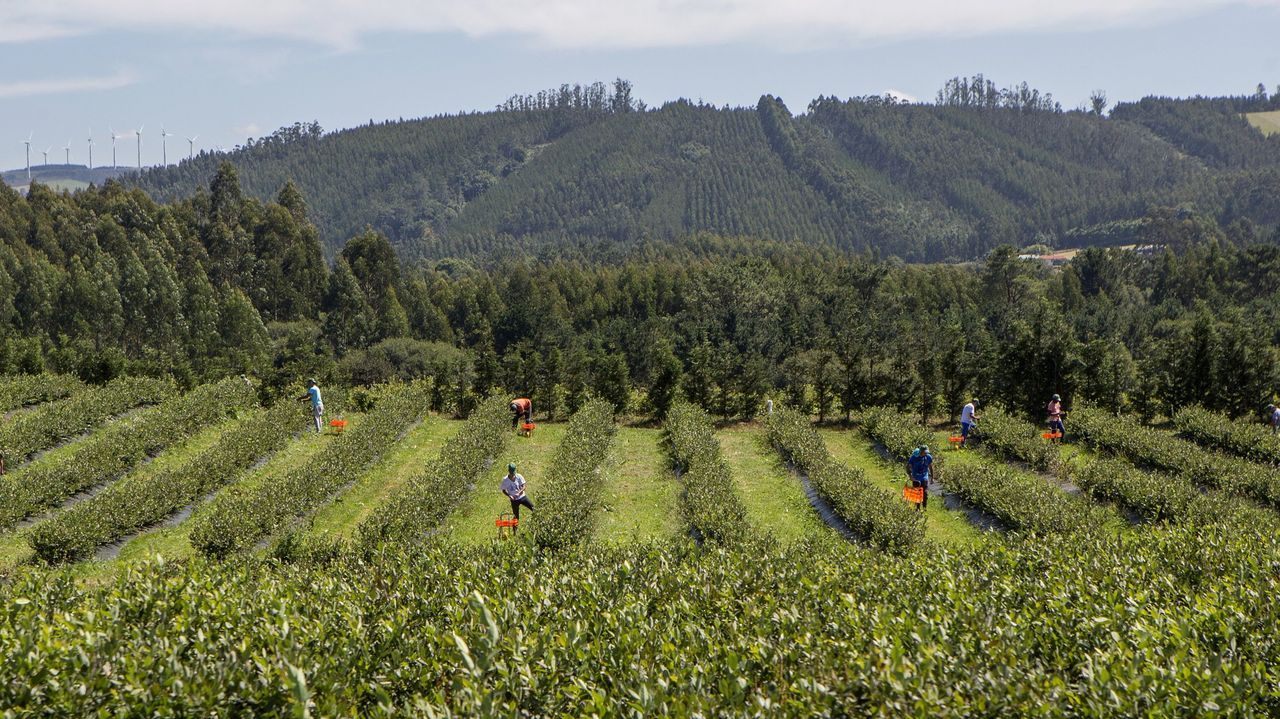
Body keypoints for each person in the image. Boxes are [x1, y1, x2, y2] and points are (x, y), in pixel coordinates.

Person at [501, 463, 534, 533]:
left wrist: (520, 492)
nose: (513, 474)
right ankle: (514, 532)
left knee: (533, 508)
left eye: (513, 472)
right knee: (516, 516)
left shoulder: (519, 476)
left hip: (522, 497)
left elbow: (524, 486)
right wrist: (509, 495)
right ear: (509, 471)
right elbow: (503, 490)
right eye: (511, 472)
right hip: (514, 500)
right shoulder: (505, 480)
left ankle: (539, 521)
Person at [906, 445, 933, 511]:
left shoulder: (928, 457)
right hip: (915, 477)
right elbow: (908, 467)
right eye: (924, 452)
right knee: (917, 493)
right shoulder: (914, 458)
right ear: (921, 451)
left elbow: (930, 467)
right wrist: (910, 476)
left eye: (927, 452)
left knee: (925, 492)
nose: (926, 453)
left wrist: (932, 477)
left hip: (924, 476)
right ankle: (917, 508)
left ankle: (924, 507)